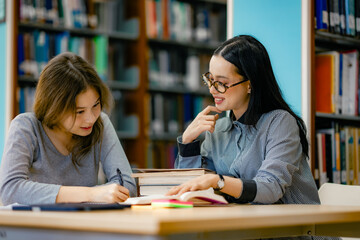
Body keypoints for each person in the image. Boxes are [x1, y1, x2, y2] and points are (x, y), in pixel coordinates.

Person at [168, 35, 320, 205]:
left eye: (221, 83)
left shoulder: (280, 123)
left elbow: (270, 188)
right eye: (210, 79)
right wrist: (188, 143)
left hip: (291, 228)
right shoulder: (218, 129)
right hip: (245, 226)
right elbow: (194, 190)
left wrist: (218, 181)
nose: (212, 90)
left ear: (250, 84)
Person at [0, 52, 136, 205]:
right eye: (79, 111)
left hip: (84, 224)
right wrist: (90, 194)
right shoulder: (26, 127)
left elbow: (127, 185)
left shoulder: (100, 123)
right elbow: (9, 190)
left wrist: (98, 194)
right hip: (36, 226)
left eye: (96, 105)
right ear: (54, 107)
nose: (90, 118)